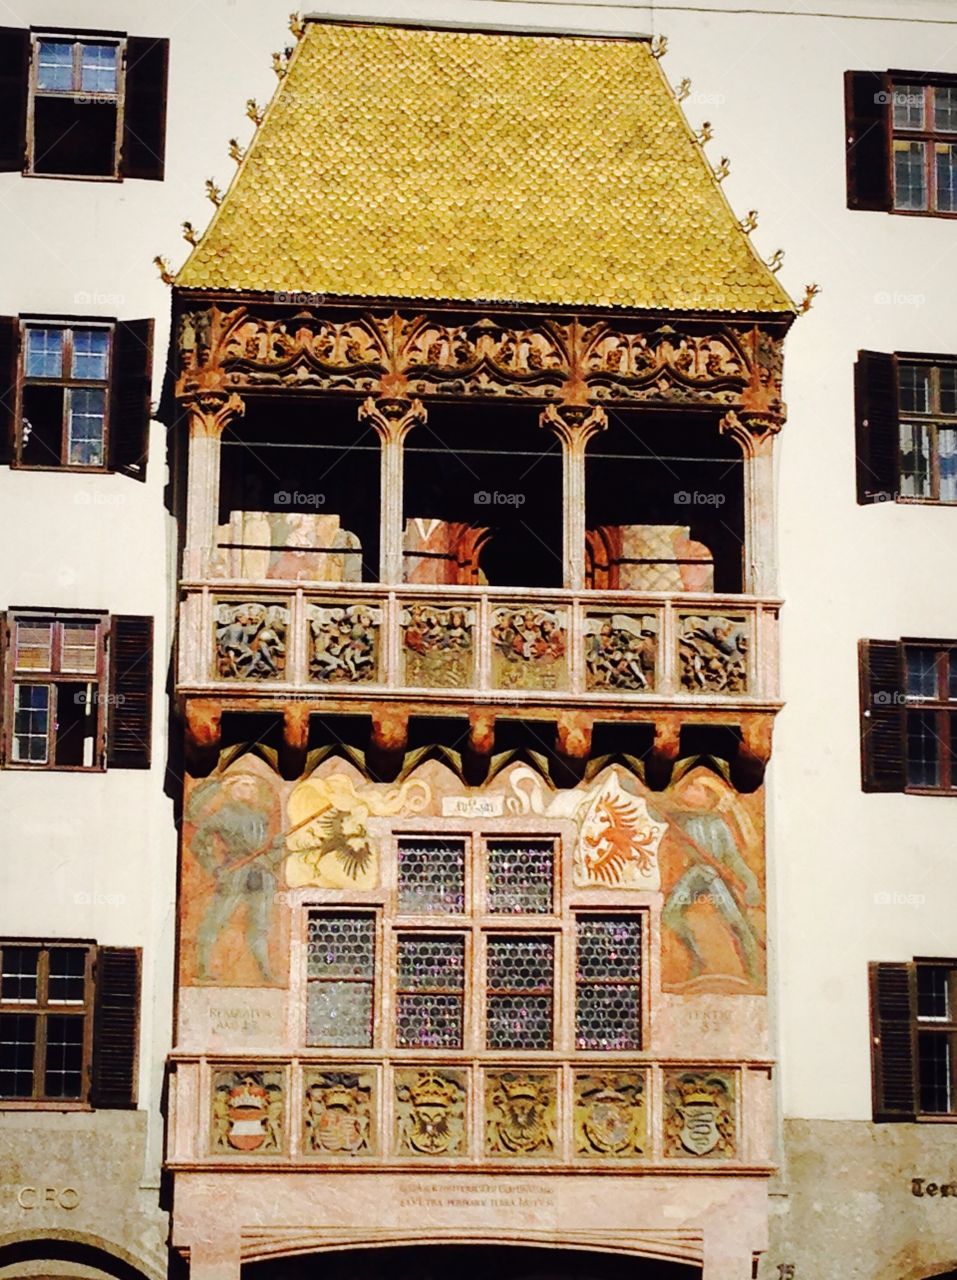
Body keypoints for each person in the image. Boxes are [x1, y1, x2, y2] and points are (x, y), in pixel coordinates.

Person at [662, 776, 761, 983]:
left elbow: (733, 858)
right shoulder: (681, 818)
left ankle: (753, 975)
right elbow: (656, 807)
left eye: (695, 789)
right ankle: (697, 958)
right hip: (696, 874)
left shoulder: (718, 825)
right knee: (670, 914)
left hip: (715, 877)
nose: (688, 791)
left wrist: (751, 884)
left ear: (707, 796)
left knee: (737, 923)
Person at [191, 772, 286, 982]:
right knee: (216, 920)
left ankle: (265, 972)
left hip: (261, 873)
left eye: (251, 787)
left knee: (259, 924)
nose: (249, 790)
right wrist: (214, 868)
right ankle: (202, 967)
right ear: (232, 789)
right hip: (234, 872)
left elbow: (264, 849)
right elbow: (198, 843)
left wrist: (275, 848)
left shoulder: (261, 816)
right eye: (243, 785)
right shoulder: (222, 815)